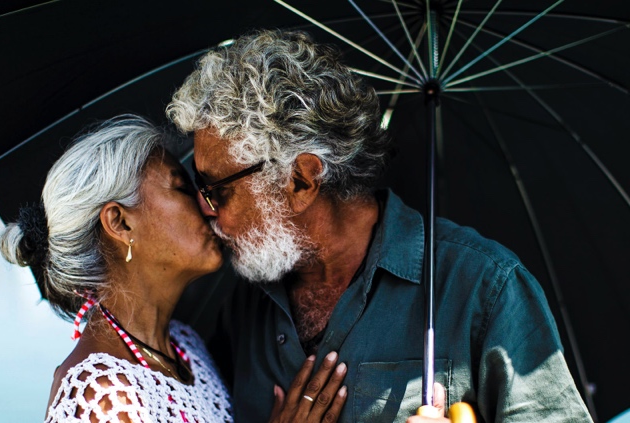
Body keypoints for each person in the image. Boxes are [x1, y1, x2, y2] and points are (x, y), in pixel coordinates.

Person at [167, 29, 593, 423]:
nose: (207, 211)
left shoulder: (483, 289)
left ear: (301, 180)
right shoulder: (244, 310)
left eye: (217, 190)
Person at [0, 116, 348, 422]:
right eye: (181, 187)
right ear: (120, 223)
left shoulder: (186, 346)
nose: (206, 205)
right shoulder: (101, 395)